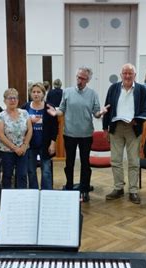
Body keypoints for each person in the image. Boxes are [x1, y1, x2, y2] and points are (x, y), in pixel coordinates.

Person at [47, 66, 106, 202]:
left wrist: (101, 112)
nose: (79, 80)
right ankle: (69, 187)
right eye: (78, 77)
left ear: (88, 80)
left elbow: (96, 114)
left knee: (85, 163)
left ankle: (84, 189)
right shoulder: (67, 92)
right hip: (69, 134)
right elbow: (62, 109)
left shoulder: (92, 94)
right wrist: (56, 113)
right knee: (69, 163)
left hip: (86, 134)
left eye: (83, 78)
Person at [103, 63, 146, 204]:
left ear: (135, 75)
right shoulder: (113, 88)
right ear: (121, 74)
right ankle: (118, 188)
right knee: (116, 160)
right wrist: (105, 128)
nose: (127, 76)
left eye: (130, 73)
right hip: (116, 128)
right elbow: (107, 108)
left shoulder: (141, 89)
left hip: (133, 129)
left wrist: (136, 121)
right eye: (125, 73)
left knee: (133, 161)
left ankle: (133, 191)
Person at [0, 88, 33, 189]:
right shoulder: (0, 116)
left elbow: (30, 130)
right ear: (4, 101)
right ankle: (7, 200)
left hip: (23, 150)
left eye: (15, 98)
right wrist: (15, 148)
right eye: (10, 98)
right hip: (7, 151)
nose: (13, 100)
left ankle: (22, 198)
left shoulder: (24, 113)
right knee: (7, 175)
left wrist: (24, 146)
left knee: (23, 175)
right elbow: (1, 135)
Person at [24, 82, 58, 189]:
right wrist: (29, 121)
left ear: (43, 94)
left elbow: (54, 127)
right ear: (30, 94)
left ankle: (46, 194)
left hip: (45, 145)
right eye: (33, 92)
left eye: (39, 92)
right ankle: (34, 193)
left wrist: (53, 144)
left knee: (46, 172)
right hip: (30, 145)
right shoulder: (25, 107)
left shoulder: (49, 107)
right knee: (31, 171)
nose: (36, 94)